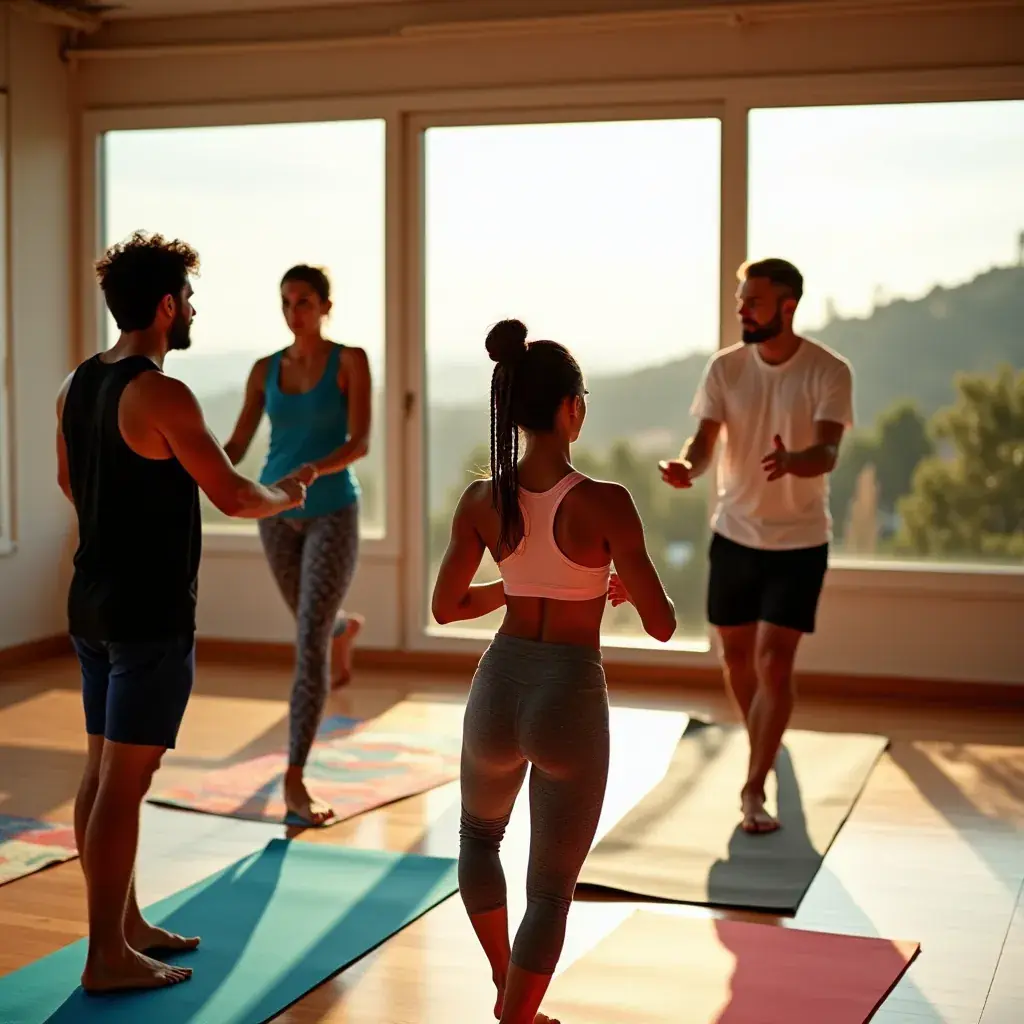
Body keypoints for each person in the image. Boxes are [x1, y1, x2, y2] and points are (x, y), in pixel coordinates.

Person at [56, 231, 310, 995]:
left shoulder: (77, 384)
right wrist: (287, 496)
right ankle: (106, 953)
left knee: (103, 772)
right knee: (124, 783)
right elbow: (232, 493)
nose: (192, 310)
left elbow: (71, 482)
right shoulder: (161, 392)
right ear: (166, 307)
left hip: (92, 602)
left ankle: (123, 925)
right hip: (148, 614)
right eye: (189, 299)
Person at [432, 319, 676, 1024]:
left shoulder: (483, 502)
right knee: (549, 892)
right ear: (573, 408)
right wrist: (615, 581)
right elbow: (662, 623)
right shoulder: (606, 502)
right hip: (568, 692)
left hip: (498, 686)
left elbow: (446, 607)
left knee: (478, 841)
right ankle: (516, 1015)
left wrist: (513, 589)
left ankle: (507, 986)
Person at [659, 258, 854, 834]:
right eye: (741, 300)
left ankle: (753, 785)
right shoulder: (726, 369)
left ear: (787, 306)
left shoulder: (828, 370)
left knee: (774, 661)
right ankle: (765, 740)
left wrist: (795, 461)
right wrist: (687, 468)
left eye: (753, 301)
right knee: (737, 660)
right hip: (735, 534)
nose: (742, 309)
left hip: (799, 542)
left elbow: (828, 453)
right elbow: (703, 443)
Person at [223, 265, 371, 826]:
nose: (294, 312)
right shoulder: (264, 370)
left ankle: (294, 777)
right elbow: (237, 443)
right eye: (286, 302)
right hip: (273, 513)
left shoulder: (350, 361)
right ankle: (342, 628)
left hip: (332, 510)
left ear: (325, 306)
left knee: (306, 642)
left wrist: (314, 469)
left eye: (304, 301)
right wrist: (186, 464)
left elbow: (361, 441)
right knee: (313, 621)